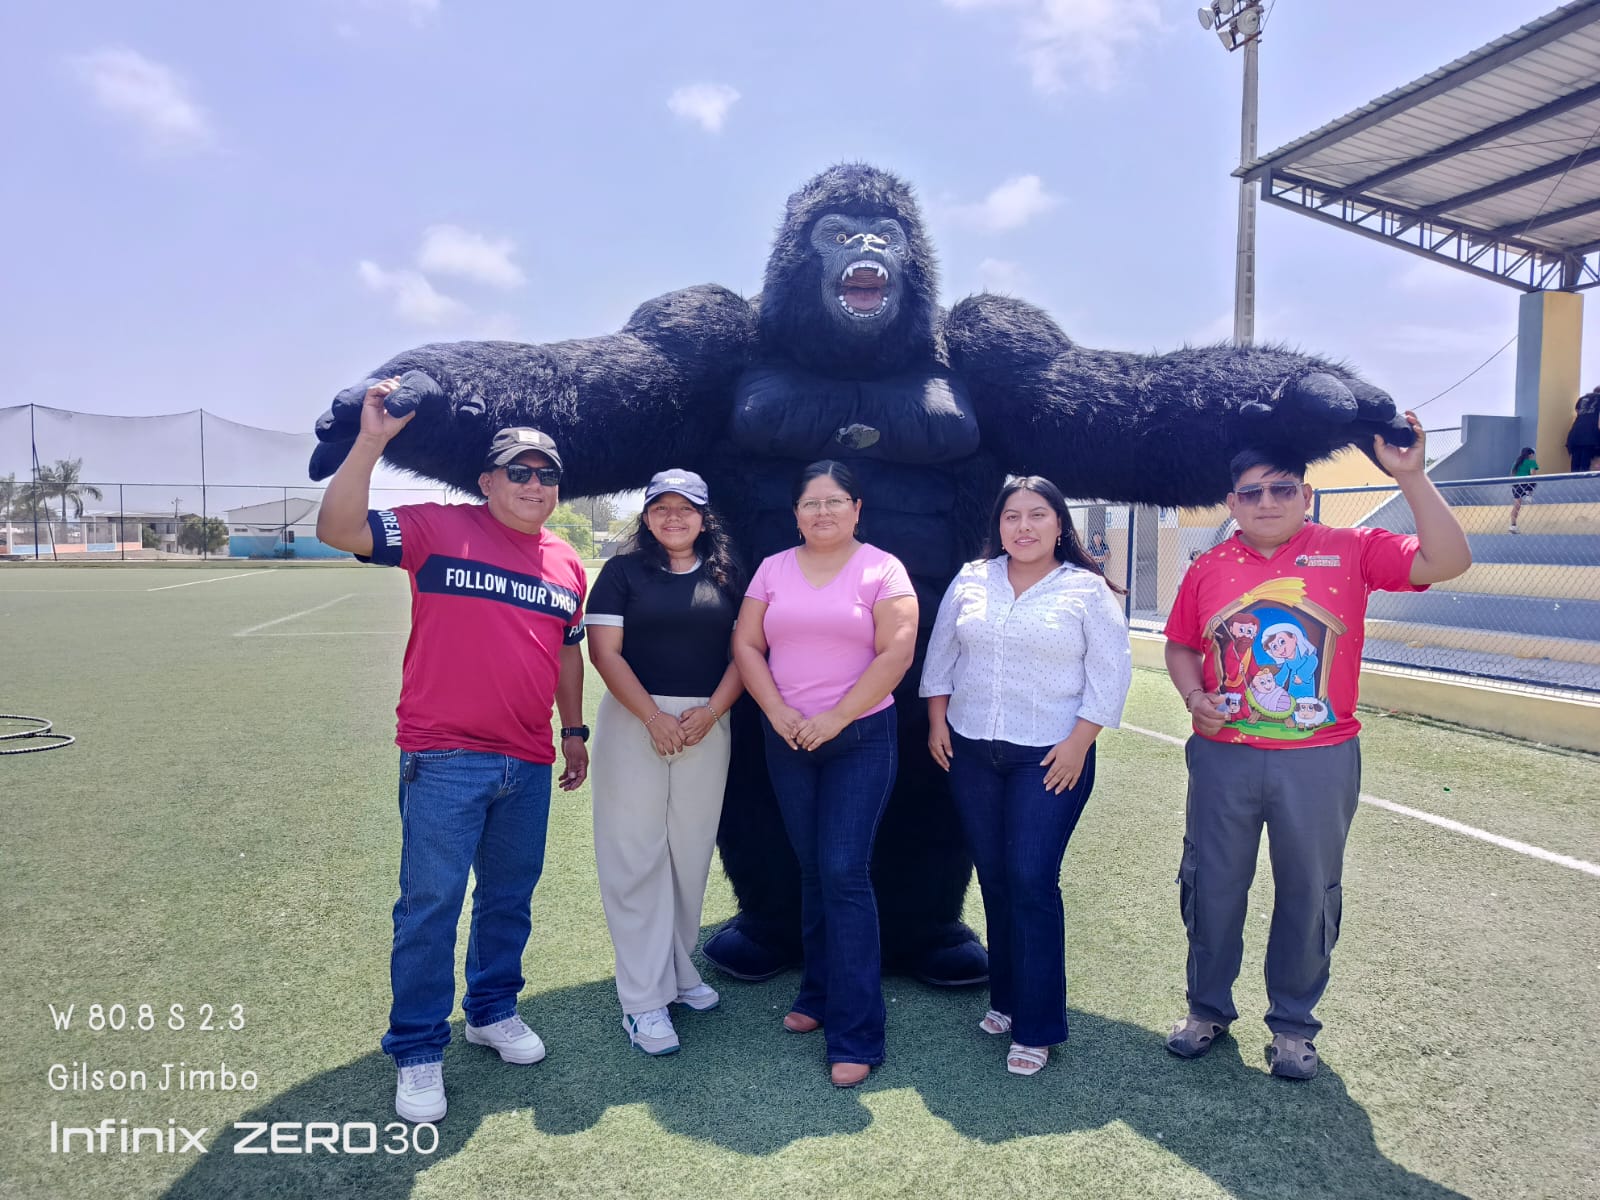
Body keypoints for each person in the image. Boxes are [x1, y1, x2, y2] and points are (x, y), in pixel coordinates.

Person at [1162, 411, 1470, 1080]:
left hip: (1319, 760)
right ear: (1231, 503)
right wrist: (1193, 698)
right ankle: (1206, 1008)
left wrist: (1411, 477)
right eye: (1251, 492)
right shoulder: (1209, 567)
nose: (1267, 503)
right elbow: (1181, 645)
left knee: (1309, 891)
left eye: (1281, 489)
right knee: (1212, 885)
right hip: (1224, 757)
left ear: (1306, 494)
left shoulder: (1351, 548)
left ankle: (1293, 1026)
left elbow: (1448, 560)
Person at [316, 386, 590, 1124]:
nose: (534, 485)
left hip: (527, 760)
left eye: (546, 475)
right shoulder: (437, 527)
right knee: (431, 906)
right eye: (519, 472)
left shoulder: (567, 562)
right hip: (444, 756)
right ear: (488, 481)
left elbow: (568, 651)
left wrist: (573, 731)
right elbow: (337, 528)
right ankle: (416, 1048)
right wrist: (371, 441)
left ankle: (492, 1010)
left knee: (508, 897)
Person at [921, 476, 1131, 1077]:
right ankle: (1007, 999)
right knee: (995, 878)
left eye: (1037, 515)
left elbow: (1110, 674)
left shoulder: (1086, 590)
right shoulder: (972, 579)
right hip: (971, 753)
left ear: (1059, 524)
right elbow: (941, 657)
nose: (1024, 526)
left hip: (1050, 757)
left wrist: (1078, 745)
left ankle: (1037, 1026)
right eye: (1012, 516)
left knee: (1031, 879)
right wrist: (937, 722)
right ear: (999, 525)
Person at [730, 460, 918, 1088]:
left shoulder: (883, 570)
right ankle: (817, 992)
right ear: (795, 514)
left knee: (842, 870)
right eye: (810, 503)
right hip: (788, 738)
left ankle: (857, 1031)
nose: (822, 512)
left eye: (835, 501)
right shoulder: (772, 569)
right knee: (811, 867)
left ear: (857, 509)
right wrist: (777, 710)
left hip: (859, 738)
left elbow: (897, 650)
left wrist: (836, 717)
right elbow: (747, 645)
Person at [585, 469, 745, 1056]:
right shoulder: (622, 572)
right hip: (636, 721)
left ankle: (677, 971)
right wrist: (653, 717)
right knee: (635, 858)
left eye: (686, 508)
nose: (673, 518)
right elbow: (605, 653)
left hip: (707, 723)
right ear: (648, 516)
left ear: (704, 517)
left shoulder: (728, 574)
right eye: (661, 508)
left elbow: (746, 652)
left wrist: (713, 711)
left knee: (689, 855)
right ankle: (642, 1000)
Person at [1566, 389, 1600, 474]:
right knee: (1585, 466)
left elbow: (1577, 410)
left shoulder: (1582, 399)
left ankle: (1573, 479)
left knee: (1575, 464)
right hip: (1590, 436)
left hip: (1575, 434)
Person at [1509, 446, 1538, 533]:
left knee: (1517, 505)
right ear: (1530, 454)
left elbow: (1512, 474)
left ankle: (1513, 525)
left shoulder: (1516, 463)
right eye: (1533, 454)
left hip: (1515, 485)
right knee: (1535, 480)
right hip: (1526, 483)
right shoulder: (1531, 462)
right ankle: (1529, 494)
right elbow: (1533, 475)